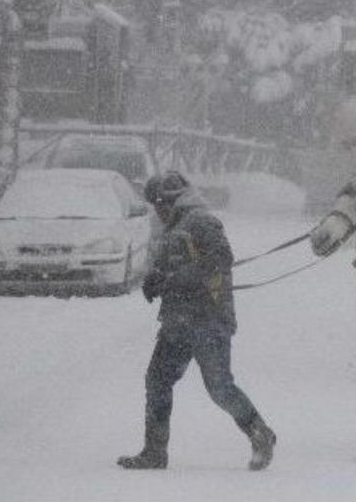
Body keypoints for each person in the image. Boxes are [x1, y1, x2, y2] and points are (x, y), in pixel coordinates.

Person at [117, 171, 276, 471]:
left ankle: (260, 433)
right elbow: (169, 266)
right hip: (177, 320)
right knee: (158, 380)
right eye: (154, 205)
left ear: (175, 200)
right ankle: (154, 452)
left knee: (219, 387)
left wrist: (175, 279)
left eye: (160, 204)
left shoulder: (201, 221)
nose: (157, 210)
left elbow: (221, 259)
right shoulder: (172, 226)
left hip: (209, 320)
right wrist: (155, 280)